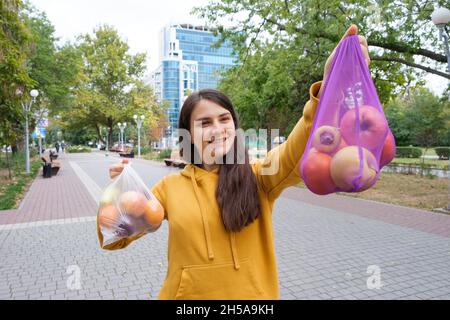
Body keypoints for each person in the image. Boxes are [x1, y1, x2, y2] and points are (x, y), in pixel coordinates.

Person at [101, 25, 370, 300]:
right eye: (204, 123)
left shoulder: (260, 176)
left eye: (224, 119)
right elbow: (115, 238)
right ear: (188, 134)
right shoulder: (168, 189)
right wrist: (121, 193)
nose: (217, 129)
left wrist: (328, 87)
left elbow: (296, 148)